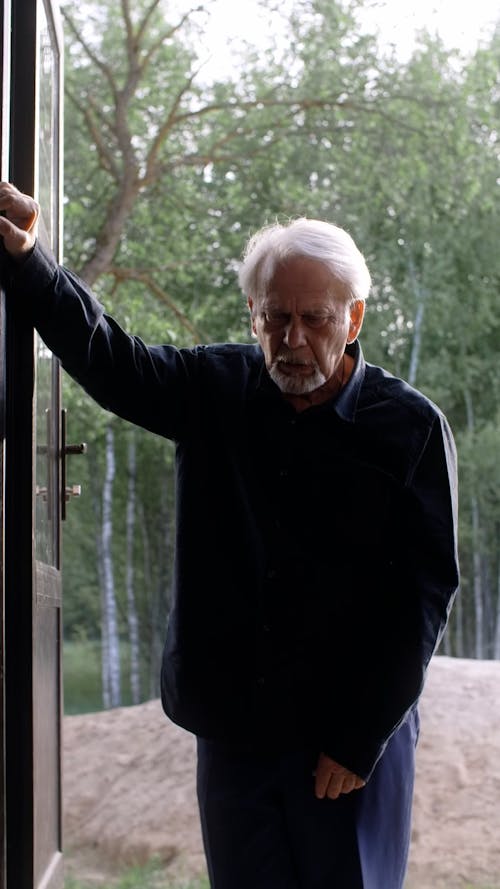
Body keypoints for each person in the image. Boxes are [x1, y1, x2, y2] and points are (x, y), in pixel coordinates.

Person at [0, 181, 459, 889]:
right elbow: (108, 358)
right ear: (252, 313)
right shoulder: (210, 387)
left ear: (354, 317)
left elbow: (423, 596)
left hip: (348, 740)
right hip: (236, 733)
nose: (294, 339)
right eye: (276, 317)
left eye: (315, 317)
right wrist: (30, 260)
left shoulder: (412, 427)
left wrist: (360, 736)